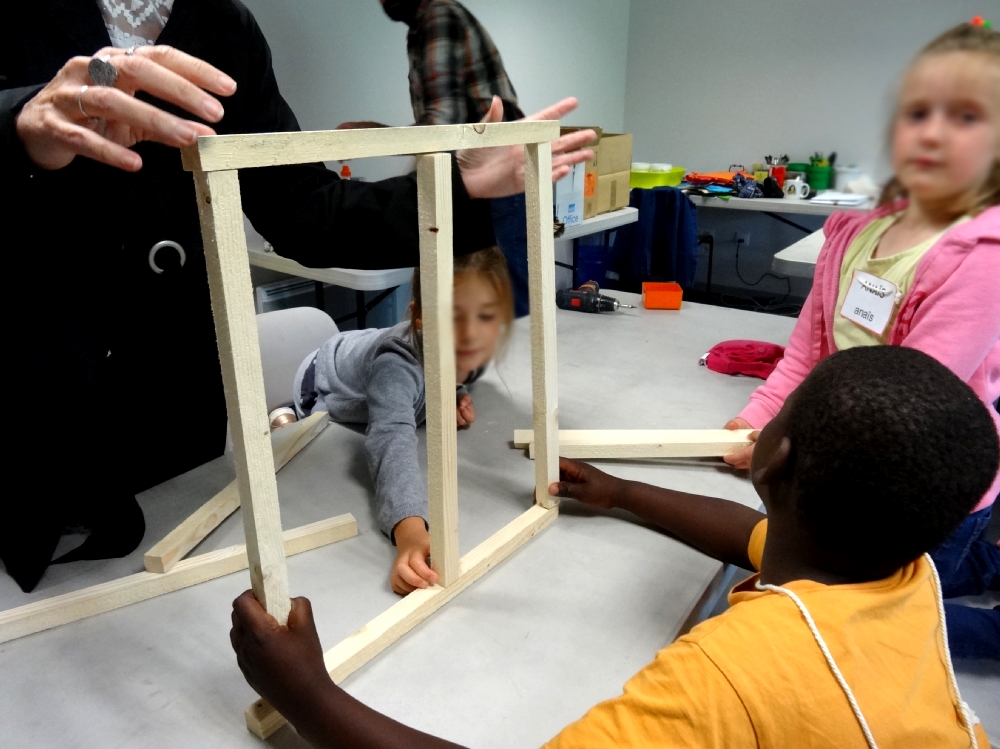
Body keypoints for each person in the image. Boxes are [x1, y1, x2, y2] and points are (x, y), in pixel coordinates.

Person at [0, 0, 594, 592]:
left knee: (185, 590)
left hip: (180, 410)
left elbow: (300, 207)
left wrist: (457, 190)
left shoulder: (224, 25)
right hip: (42, 419)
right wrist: (16, 125)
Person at [230, 346, 997, 747]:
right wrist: (623, 492)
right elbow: (750, 536)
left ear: (777, 456)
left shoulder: (726, 675)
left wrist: (308, 695)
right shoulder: (902, 572)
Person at [723, 21, 1000, 659]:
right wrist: (758, 416)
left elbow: (901, 396)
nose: (931, 131)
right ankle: (983, 566)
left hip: (923, 483)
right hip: (844, 457)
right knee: (849, 594)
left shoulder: (980, 258)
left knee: (874, 631)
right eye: (918, 112)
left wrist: (787, 445)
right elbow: (806, 355)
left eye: (965, 117)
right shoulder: (854, 235)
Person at [291, 247, 513, 594]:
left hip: (365, 355)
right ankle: (282, 417)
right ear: (420, 318)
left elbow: (442, 372)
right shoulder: (396, 366)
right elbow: (390, 437)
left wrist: (449, 398)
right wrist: (409, 531)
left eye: (486, 317)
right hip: (321, 383)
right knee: (324, 429)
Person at [377, 0, 534, 317]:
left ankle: (506, 366)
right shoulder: (422, 26)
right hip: (478, 169)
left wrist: (374, 137)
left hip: (493, 168)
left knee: (504, 292)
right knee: (477, 290)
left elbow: (442, 123)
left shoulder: (438, 16)